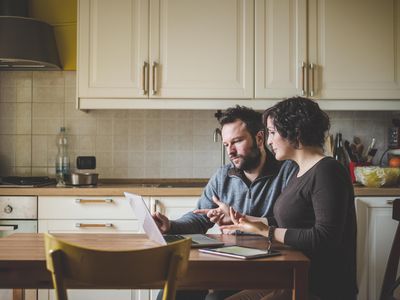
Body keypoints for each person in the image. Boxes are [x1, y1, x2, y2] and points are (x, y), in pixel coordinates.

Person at [153, 105, 297, 300]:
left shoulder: (287, 172)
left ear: (260, 138)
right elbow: (199, 218)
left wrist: (242, 221)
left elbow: (293, 224)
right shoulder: (223, 175)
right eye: (226, 144)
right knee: (172, 292)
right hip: (230, 262)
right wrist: (170, 225)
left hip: (269, 265)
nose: (231, 151)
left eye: (237, 141)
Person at [220, 97, 358, 300]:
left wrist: (267, 231)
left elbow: (325, 237)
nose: (268, 141)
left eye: (273, 133)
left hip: (320, 288)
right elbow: (294, 223)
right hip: (292, 278)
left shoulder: (328, 171)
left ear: (296, 132)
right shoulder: (299, 172)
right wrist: (249, 221)